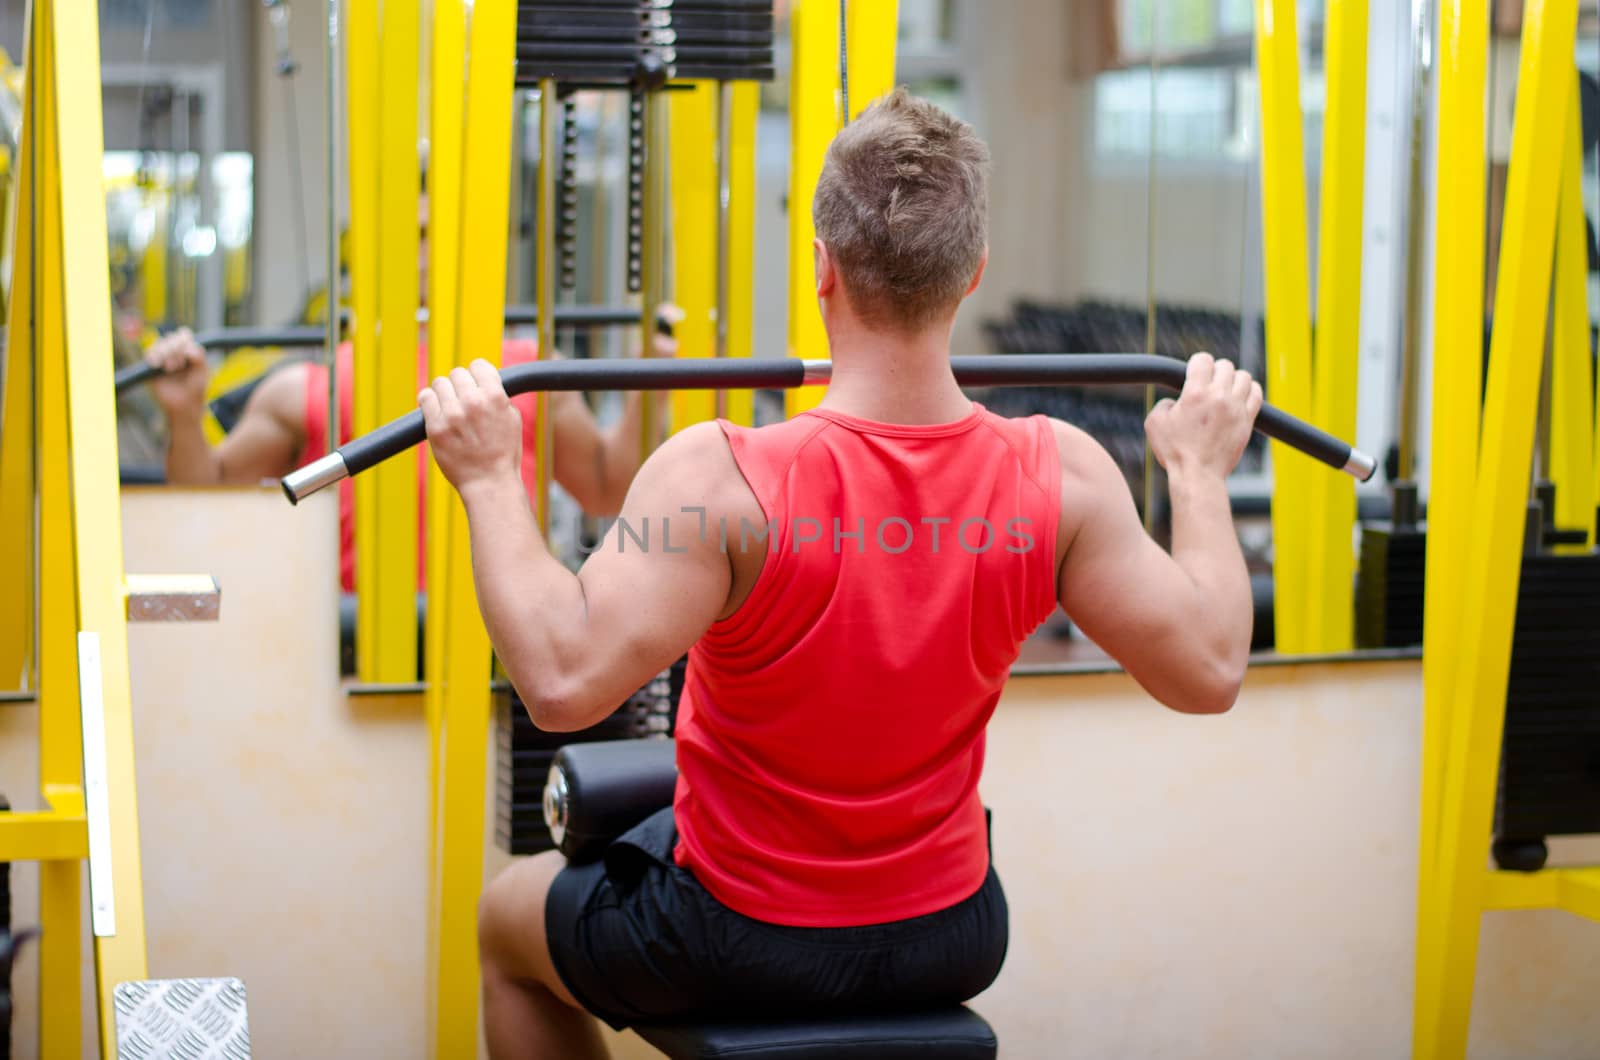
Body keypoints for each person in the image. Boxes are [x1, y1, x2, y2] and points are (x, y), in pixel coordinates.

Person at [421, 88, 1262, 1059]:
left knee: (502, 919)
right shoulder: (1061, 473)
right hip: (950, 931)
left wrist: (489, 475)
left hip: (739, 932)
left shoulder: (723, 479)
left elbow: (562, 682)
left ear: (821, 268)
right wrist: (1197, 473)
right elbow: (1209, 669)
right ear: (972, 273)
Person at [143, 314, 676, 592]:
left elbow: (607, 488)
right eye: (414, 235)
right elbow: (206, 495)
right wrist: (184, 414)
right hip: (361, 654)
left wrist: (655, 375)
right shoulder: (314, 387)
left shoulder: (528, 371)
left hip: (505, 646)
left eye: (434, 234)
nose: (424, 254)